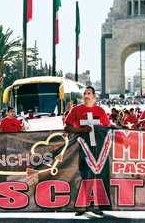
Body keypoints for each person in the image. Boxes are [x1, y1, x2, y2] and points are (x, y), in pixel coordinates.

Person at [64, 86, 111, 216]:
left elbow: (107, 128)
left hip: (99, 148)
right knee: (84, 175)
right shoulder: (76, 110)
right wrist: (81, 130)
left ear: (94, 96)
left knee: (97, 176)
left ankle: (95, 205)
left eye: (89, 93)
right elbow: (67, 127)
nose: (86, 95)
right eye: (84, 93)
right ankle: (82, 205)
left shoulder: (100, 111)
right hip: (83, 147)